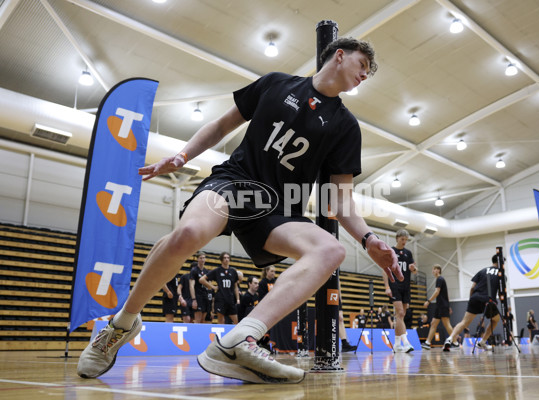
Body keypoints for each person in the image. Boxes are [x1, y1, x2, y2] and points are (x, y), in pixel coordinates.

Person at [77, 37, 401, 384]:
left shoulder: (345, 126)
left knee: (331, 251)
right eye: (362, 66)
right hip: (236, 182)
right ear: (339, 55)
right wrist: (183, 155)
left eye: (368, 73)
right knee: (187, 234)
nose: (364, 75)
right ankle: (122, 324)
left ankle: (237, 340)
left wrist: (367, 239)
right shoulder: (277, 83)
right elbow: (221, 125)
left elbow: (340, 197)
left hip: (279, 206)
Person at [443, 255, 502, 352]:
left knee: (464, 322)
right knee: (495, 320)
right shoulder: (501, 274)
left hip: (475, 298)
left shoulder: (482, 271)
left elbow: (472, 287)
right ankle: (483, 342)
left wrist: (471, 300)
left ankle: (449, 339)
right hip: (488, 300)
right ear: (500, 263)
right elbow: (501, 293)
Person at [383, 229, 417, 353]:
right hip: (394, 285)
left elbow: (414, 270)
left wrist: (413, 269)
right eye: (402, 239)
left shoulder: (408, 253)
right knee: (400, 313)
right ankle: (406, 343)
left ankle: (397, 345)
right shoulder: (391, 251)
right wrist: (387, 286)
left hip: (406, 286)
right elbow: (384, 269)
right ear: (397, 238)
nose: (404, 242)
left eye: (406, 240)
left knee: (400, 316)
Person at [199, 252, 240, 325]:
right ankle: (220, 336)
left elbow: (235, 286)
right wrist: (213, 287)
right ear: (221, 260)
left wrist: (237, 299)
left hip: (230, 299)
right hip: (220, 298)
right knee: (221, 321)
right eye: (224, 258)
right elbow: (202, 279)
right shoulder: (217, 270)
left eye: (228, 258)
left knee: (236, 321)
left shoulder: (233, 271)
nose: (226, 259)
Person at [422, 265, 453, 350]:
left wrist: (428, 301)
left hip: (442, 305)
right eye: (433, 269)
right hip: (440, 305)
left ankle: (455, 342)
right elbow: (446, 294)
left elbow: (437, 292)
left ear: (438, 270)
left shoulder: (440, 279)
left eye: (434, 269)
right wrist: (449, 305)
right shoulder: (439, 279)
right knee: (433, 323)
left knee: (446, 324)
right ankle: (428, 343)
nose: (433, 271)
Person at [190, 252, 212, 323]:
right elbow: (191, 286)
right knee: (197, 320)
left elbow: (209, 285)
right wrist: (194, 299)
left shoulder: (206, 271)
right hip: (198, 296)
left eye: (204, 258)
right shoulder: (194, 271)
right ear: (198, 259)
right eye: (201, 258)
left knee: (203, 320)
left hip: (205, 296)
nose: (202, 259)